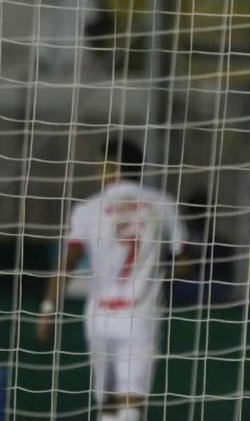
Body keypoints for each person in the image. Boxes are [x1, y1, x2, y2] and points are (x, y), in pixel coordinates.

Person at [37, 138, 191, 421]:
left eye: (100, 166)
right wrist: (155, 277)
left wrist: (49, 308)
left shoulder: (88, 209)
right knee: (131, 401)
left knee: (107, 402)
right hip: (141, 313)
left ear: (111, 167)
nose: (97, 173)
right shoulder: (163, 204)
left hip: (100, 314)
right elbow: (186, 262)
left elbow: (67, 263)